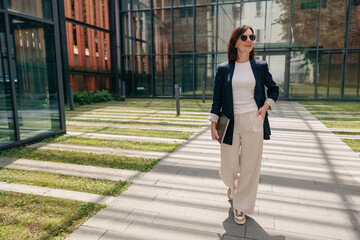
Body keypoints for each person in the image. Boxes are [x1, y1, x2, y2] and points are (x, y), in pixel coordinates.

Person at [209, 25, 279, 225]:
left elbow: (274, 89)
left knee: (249, 167)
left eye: (252, 36)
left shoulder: (260, 66)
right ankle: (231, 186)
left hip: (253, 120)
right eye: (245, 37)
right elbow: (217, 99)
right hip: (229, 122)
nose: (249, 40)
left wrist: (265, 107)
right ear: (236, 42)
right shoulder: (223, 69)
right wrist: (212, 124)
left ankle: (240, 206)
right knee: (227, 168)